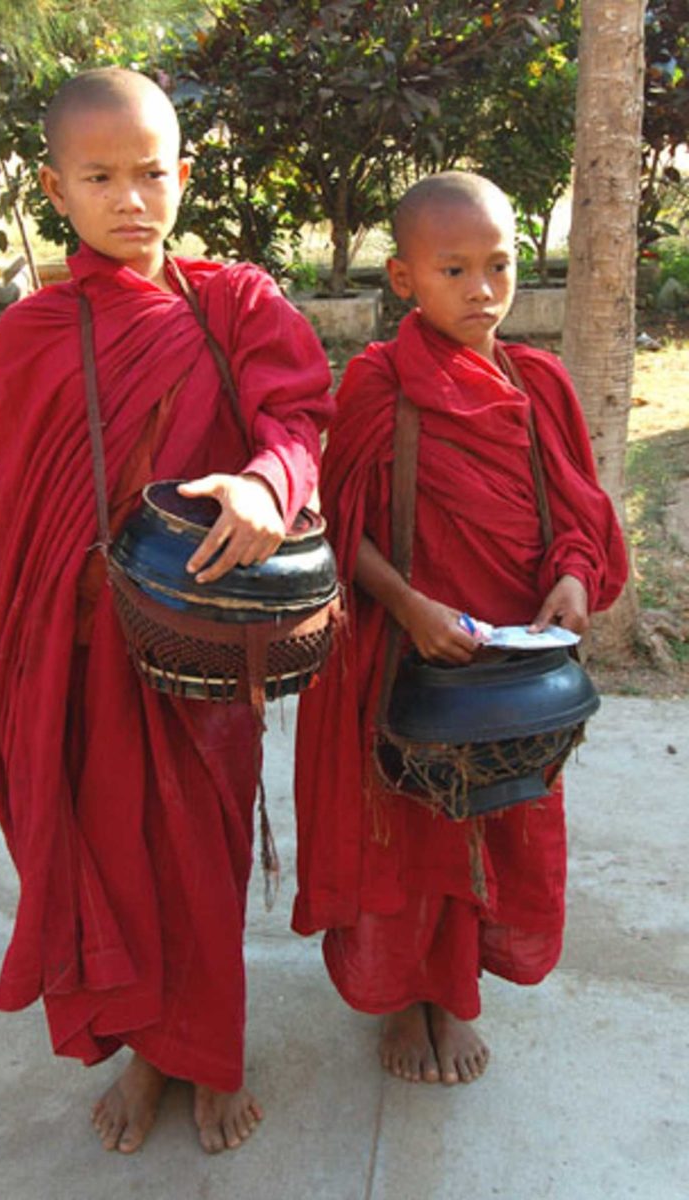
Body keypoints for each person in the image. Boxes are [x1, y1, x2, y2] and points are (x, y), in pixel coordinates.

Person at [0, 67, 333, 1155]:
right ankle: (145, 1053)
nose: (129, 197)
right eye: (99, 176)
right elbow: (23, 514)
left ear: (183, 174)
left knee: (199, 854)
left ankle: (210, 1057)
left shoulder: (234, 303)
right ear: (56, 188)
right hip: (82, 645)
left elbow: (300, 415)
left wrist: (267, 483)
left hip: (200, 640)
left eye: (149, 173)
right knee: (108, 858)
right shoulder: (34, 331)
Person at [292, 172, 628, 1087]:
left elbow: (579, 512)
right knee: (407, 830)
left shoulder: (539, 381)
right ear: (403, 278)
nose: (483, 290)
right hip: (407, 656)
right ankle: (408, 997)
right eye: (454, 270)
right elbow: (335, 526)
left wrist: (571, 577)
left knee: (499, 823)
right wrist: (404, 603)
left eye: (499, 265)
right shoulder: (375, 386)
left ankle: (454, 993)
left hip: (509, 673)